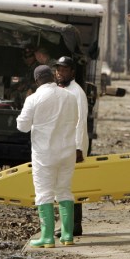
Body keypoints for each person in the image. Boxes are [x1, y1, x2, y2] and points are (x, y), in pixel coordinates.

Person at [16, 65, 78, 248]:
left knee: (44, 194)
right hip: (67, 152)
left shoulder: (33, 99)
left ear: (36, 81)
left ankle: (47, 237)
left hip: (45, 154)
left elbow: (22, 126)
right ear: (52, 77)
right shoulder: (70, 97)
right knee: (65, 191)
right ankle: (67, 236)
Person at [54, 56, 89, 238]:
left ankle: (73, 224)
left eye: (64, 70)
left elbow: (80, 122)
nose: (60, 73)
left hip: (74, 147)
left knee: (71, 187)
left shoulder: (77, 92)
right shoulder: (59, 90)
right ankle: (71, 224)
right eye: (58, 70)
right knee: (66, 186)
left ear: (72, 72)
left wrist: (78, 148)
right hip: (63, 146)